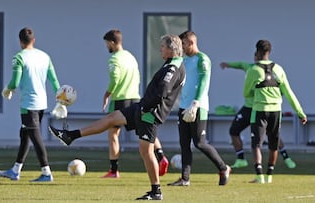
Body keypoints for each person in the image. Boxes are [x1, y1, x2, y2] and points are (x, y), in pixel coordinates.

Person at [49, 34, 185, 200]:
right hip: (141, 106)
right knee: (112, 118)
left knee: (146, 151)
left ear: (171, 49)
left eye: (163, 46)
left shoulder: (173, 68)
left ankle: (156, 190)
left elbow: (162, 92)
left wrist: (146, 109)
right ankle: (70, 136)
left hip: (149, 114)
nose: (160, 49)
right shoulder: (172, 64)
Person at [101, 29, 168, 178]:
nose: (107, 47)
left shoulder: (114, 59)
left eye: (107, 44)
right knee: (146, 131)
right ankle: (161, 156)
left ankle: (113, 170)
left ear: (112, 42)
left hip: (120, 99)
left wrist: (107, 94)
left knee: (113, 134)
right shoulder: (130, 57)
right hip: (136, 98)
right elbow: (137, 76)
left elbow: (115, 78)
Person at [0, 27, 63, 182]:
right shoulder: (45, 56)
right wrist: (61, 100)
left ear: (20, 41)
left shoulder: (19, 57)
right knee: (25, 135)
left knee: (35, 137)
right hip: (41, 103)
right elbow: (54, 81)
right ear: (33, 40)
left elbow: (15, 82)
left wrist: (7, 89)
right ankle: (15, 170)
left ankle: (46, 173)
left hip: (28, 105)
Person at [167, 31, 231, 187]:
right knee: (184, 143)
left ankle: (223, 167)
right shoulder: (183, 60)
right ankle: (185, 179)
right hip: (183, 107)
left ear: (190, 43)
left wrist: (195, 104)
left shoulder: (203, 59)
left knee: (199, 143)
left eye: (183, 44)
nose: (181, 47)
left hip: (198, 107)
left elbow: (204, 82)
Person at [243, 39, 307, 183]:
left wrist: (256, 91)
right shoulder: (279, 69)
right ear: (269, 52)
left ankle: (259, 176)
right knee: (273, 143)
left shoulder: (253, 70)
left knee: (256, 144)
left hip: (259, 110)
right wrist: (300, 112)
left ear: (257, 51)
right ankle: (269, 175)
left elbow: (246, 93)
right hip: (276, 112)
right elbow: (289, 92)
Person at [220, 61, 297, 169]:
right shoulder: (251, 68)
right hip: (248, 108)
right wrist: (228, 64)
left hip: (260, 108)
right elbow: (241, 65)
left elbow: (282, 89)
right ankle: (241, 159)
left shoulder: (270, 72)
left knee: (272, 134)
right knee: (234, 131)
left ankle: (286, 157)